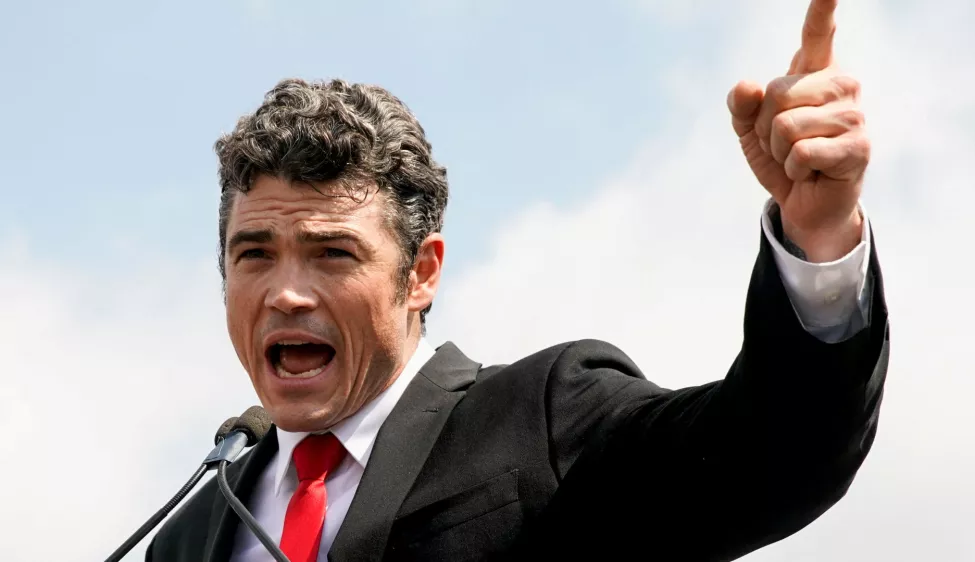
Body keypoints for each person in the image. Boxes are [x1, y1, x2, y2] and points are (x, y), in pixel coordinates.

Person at [146, 1, 888, 560]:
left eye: (333, 253)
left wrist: (817, 237)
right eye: (254, 255)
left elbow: (772, 457)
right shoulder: (191, 529)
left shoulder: (543, 419)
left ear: (420, 273)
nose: (286, 292)